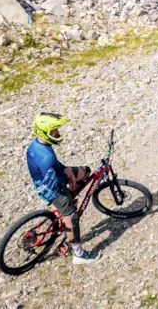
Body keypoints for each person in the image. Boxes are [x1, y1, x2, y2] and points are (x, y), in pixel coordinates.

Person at [25, 112, 101, 264]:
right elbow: (52, 184)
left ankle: (70, 199)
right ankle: (79, 254)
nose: (57, 133)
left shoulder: (38, 144)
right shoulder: (47, 157)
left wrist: (67, 171)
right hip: (51, 190)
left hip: (52, 175)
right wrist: (68, 177)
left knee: (84, 171)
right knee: (72, 217)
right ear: (45, 132)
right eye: (54, 131)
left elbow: (55, 166)